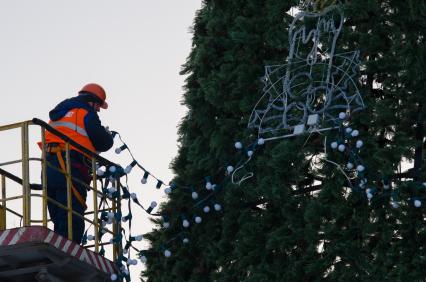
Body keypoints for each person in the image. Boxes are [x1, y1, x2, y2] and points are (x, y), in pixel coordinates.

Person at [41, 83, 113, 243]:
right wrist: (108, 136)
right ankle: (68, 250)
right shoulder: (86, 113)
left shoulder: (60, 113)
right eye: (99, 106)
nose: (98, 110)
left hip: (49, 167)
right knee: (72, 214)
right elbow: (103, 142)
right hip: (70, 166)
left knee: (58, 211)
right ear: (92, 101)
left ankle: (58, 245)